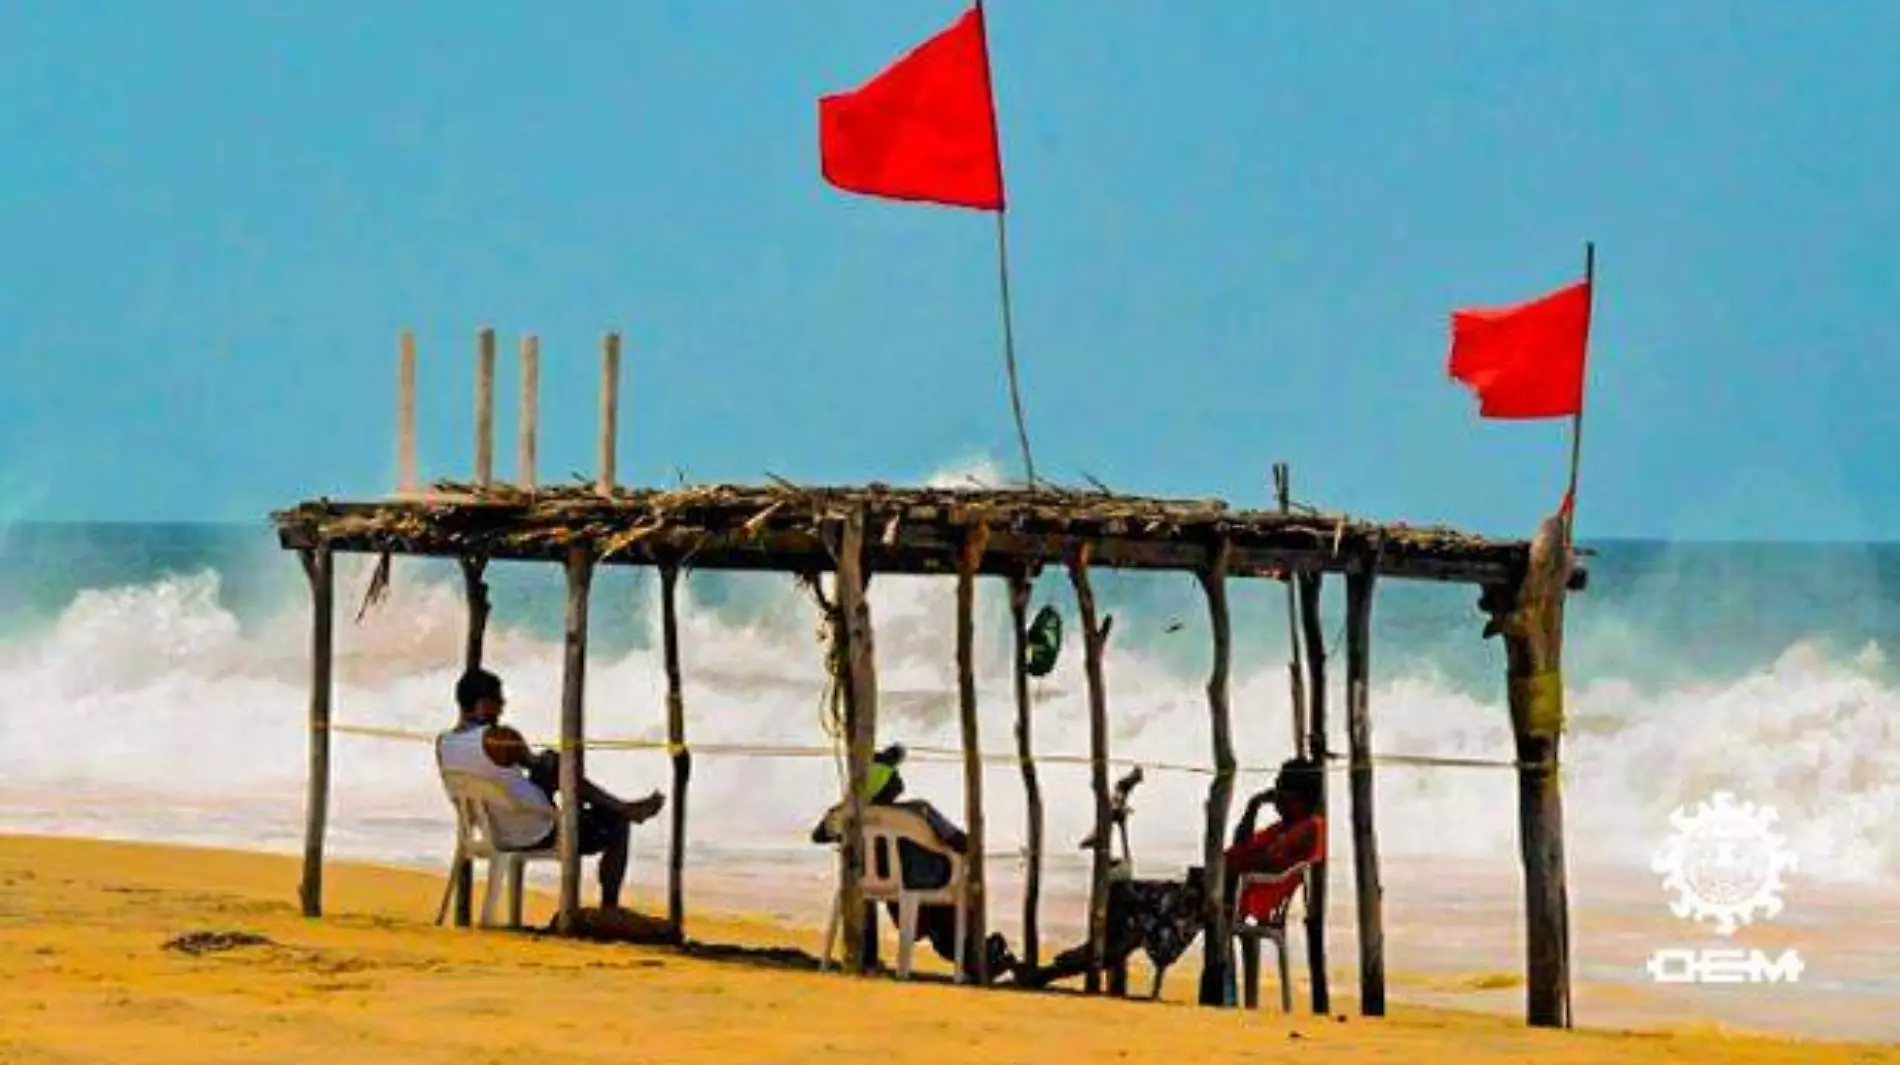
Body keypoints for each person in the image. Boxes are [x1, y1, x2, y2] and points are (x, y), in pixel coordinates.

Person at [436, 667, 664, 911]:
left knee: (553, 762)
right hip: (536, 831)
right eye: (498, 700)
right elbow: (538, 765)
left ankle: (619, 807)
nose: (502, 707)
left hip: (494, 831)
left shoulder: (444, 742)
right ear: (483, 704)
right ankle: (610, 905)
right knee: (616, 821)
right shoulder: (499, 736)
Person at [810, 743, 1013, 978]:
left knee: (939, 918)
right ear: (890, 785)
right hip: (930, 885)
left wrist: (841, 808)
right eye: (894, 775)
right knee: (955, 900)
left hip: (881, 888)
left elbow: (819, 835)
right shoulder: (919, 810)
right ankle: (976, 956)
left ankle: (975, 956)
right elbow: (963, 842)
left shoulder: (848, 815)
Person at [1225, 755, 1326, 927]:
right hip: (1237, 888)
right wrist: (1253, 807)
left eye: (1280, 791)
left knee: (1174, 903)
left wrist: (1227, 866)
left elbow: (1268, 860)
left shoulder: (1308, 827)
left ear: (1298, 797)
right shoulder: (1283, 827)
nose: (1275, 797)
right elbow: (1240, 845)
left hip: (1247, 894)